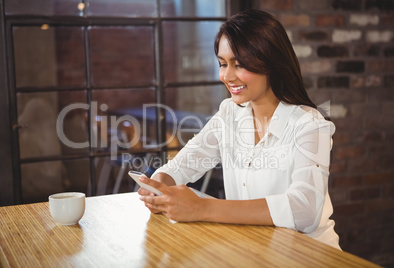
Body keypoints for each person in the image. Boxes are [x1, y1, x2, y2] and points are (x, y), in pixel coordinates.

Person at [138, 9, 340, 250]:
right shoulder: (229, 114)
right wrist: (160, 185)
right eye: (223, 64)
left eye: (240, 64)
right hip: (252, 250)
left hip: (309, 255)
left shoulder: (309, 124)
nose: (227, 76)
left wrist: (202, 208)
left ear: (271, 63)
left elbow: (304, 209)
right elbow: (183, 165)